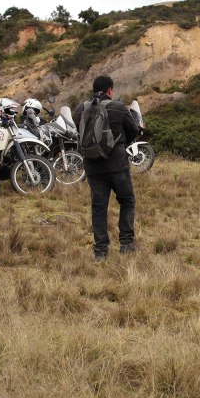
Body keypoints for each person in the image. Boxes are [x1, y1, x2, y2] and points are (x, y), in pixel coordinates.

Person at [74, 75, 141, 262]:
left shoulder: (80, 110)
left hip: (93, 167)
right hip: (117, 165)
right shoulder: (118, 108)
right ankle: (126, 244)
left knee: (99, 208)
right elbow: (134, 131)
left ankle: (100, 252)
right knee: (127, 201)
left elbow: (77, 134)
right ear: (110, 90)